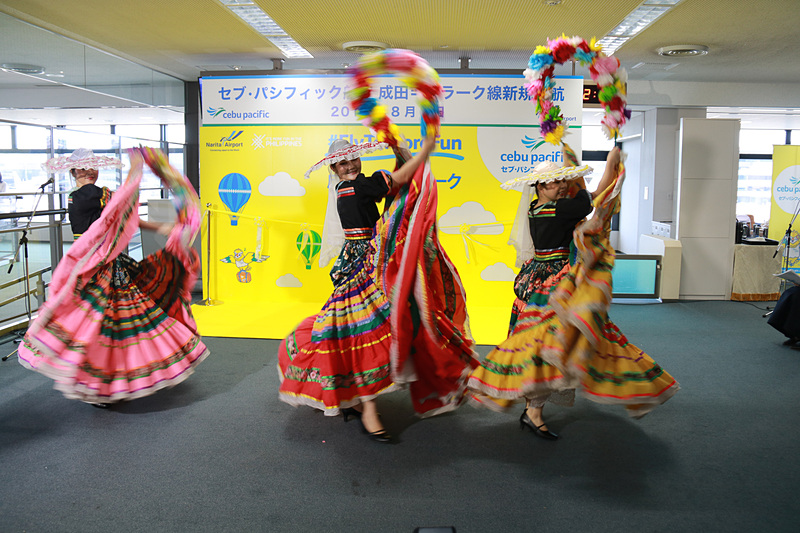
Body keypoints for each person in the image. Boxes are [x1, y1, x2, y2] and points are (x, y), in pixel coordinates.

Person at [468, 147, 679, 439]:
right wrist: (591, 172)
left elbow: (591, 197)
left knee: (545, 346)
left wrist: (607, 168)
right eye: (556, 182)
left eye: (563, 181)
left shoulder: (540, 207)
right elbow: (584, 203)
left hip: (546, 280)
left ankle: (533, 409)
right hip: (551, 285)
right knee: (546, 346)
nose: (563, 185)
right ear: (540, 187)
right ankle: (533, 409)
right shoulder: (553, 209)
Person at [278, 136, 477, 443]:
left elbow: (394, 189)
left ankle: (362, 400)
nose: (350, 165)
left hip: (371, 261)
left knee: (379, 326)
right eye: (343, 162)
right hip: (365, 266)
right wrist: (423, 151)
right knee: (367, 331)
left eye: (353, 158)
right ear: (334, 167)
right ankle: (367, 407)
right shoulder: (355, 187)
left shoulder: (351, 186)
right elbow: (398, 180)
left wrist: (401, 152)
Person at [18, 148, 209, 406]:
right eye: (83, 168)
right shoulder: (86, 196)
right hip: (95, 266)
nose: (90, 171)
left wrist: (161, 226)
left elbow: (121, 214)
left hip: (107, 262)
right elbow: (119, 207)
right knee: (100, 323)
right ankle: (102, 381)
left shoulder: (98, 196)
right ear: (74, 172)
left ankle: (109, 380)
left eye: (92, 167)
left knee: (111, 323)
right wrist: (136, 168)